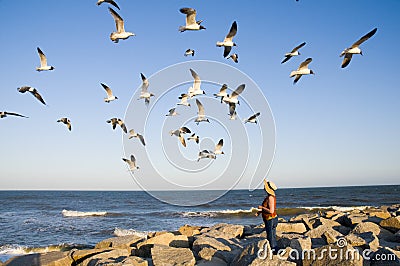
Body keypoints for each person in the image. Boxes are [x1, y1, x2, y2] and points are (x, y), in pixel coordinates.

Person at [256, 179, 278, 254]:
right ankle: (274, 251)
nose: (264, 188)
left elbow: (271, 211)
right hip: (271, 218)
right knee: (272, 236)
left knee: (271, 237)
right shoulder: (270, 197)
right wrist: (260, 212)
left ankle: (274, 252)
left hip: (270, 219)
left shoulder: (270, 198)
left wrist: (261, 208)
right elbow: (269, 209)